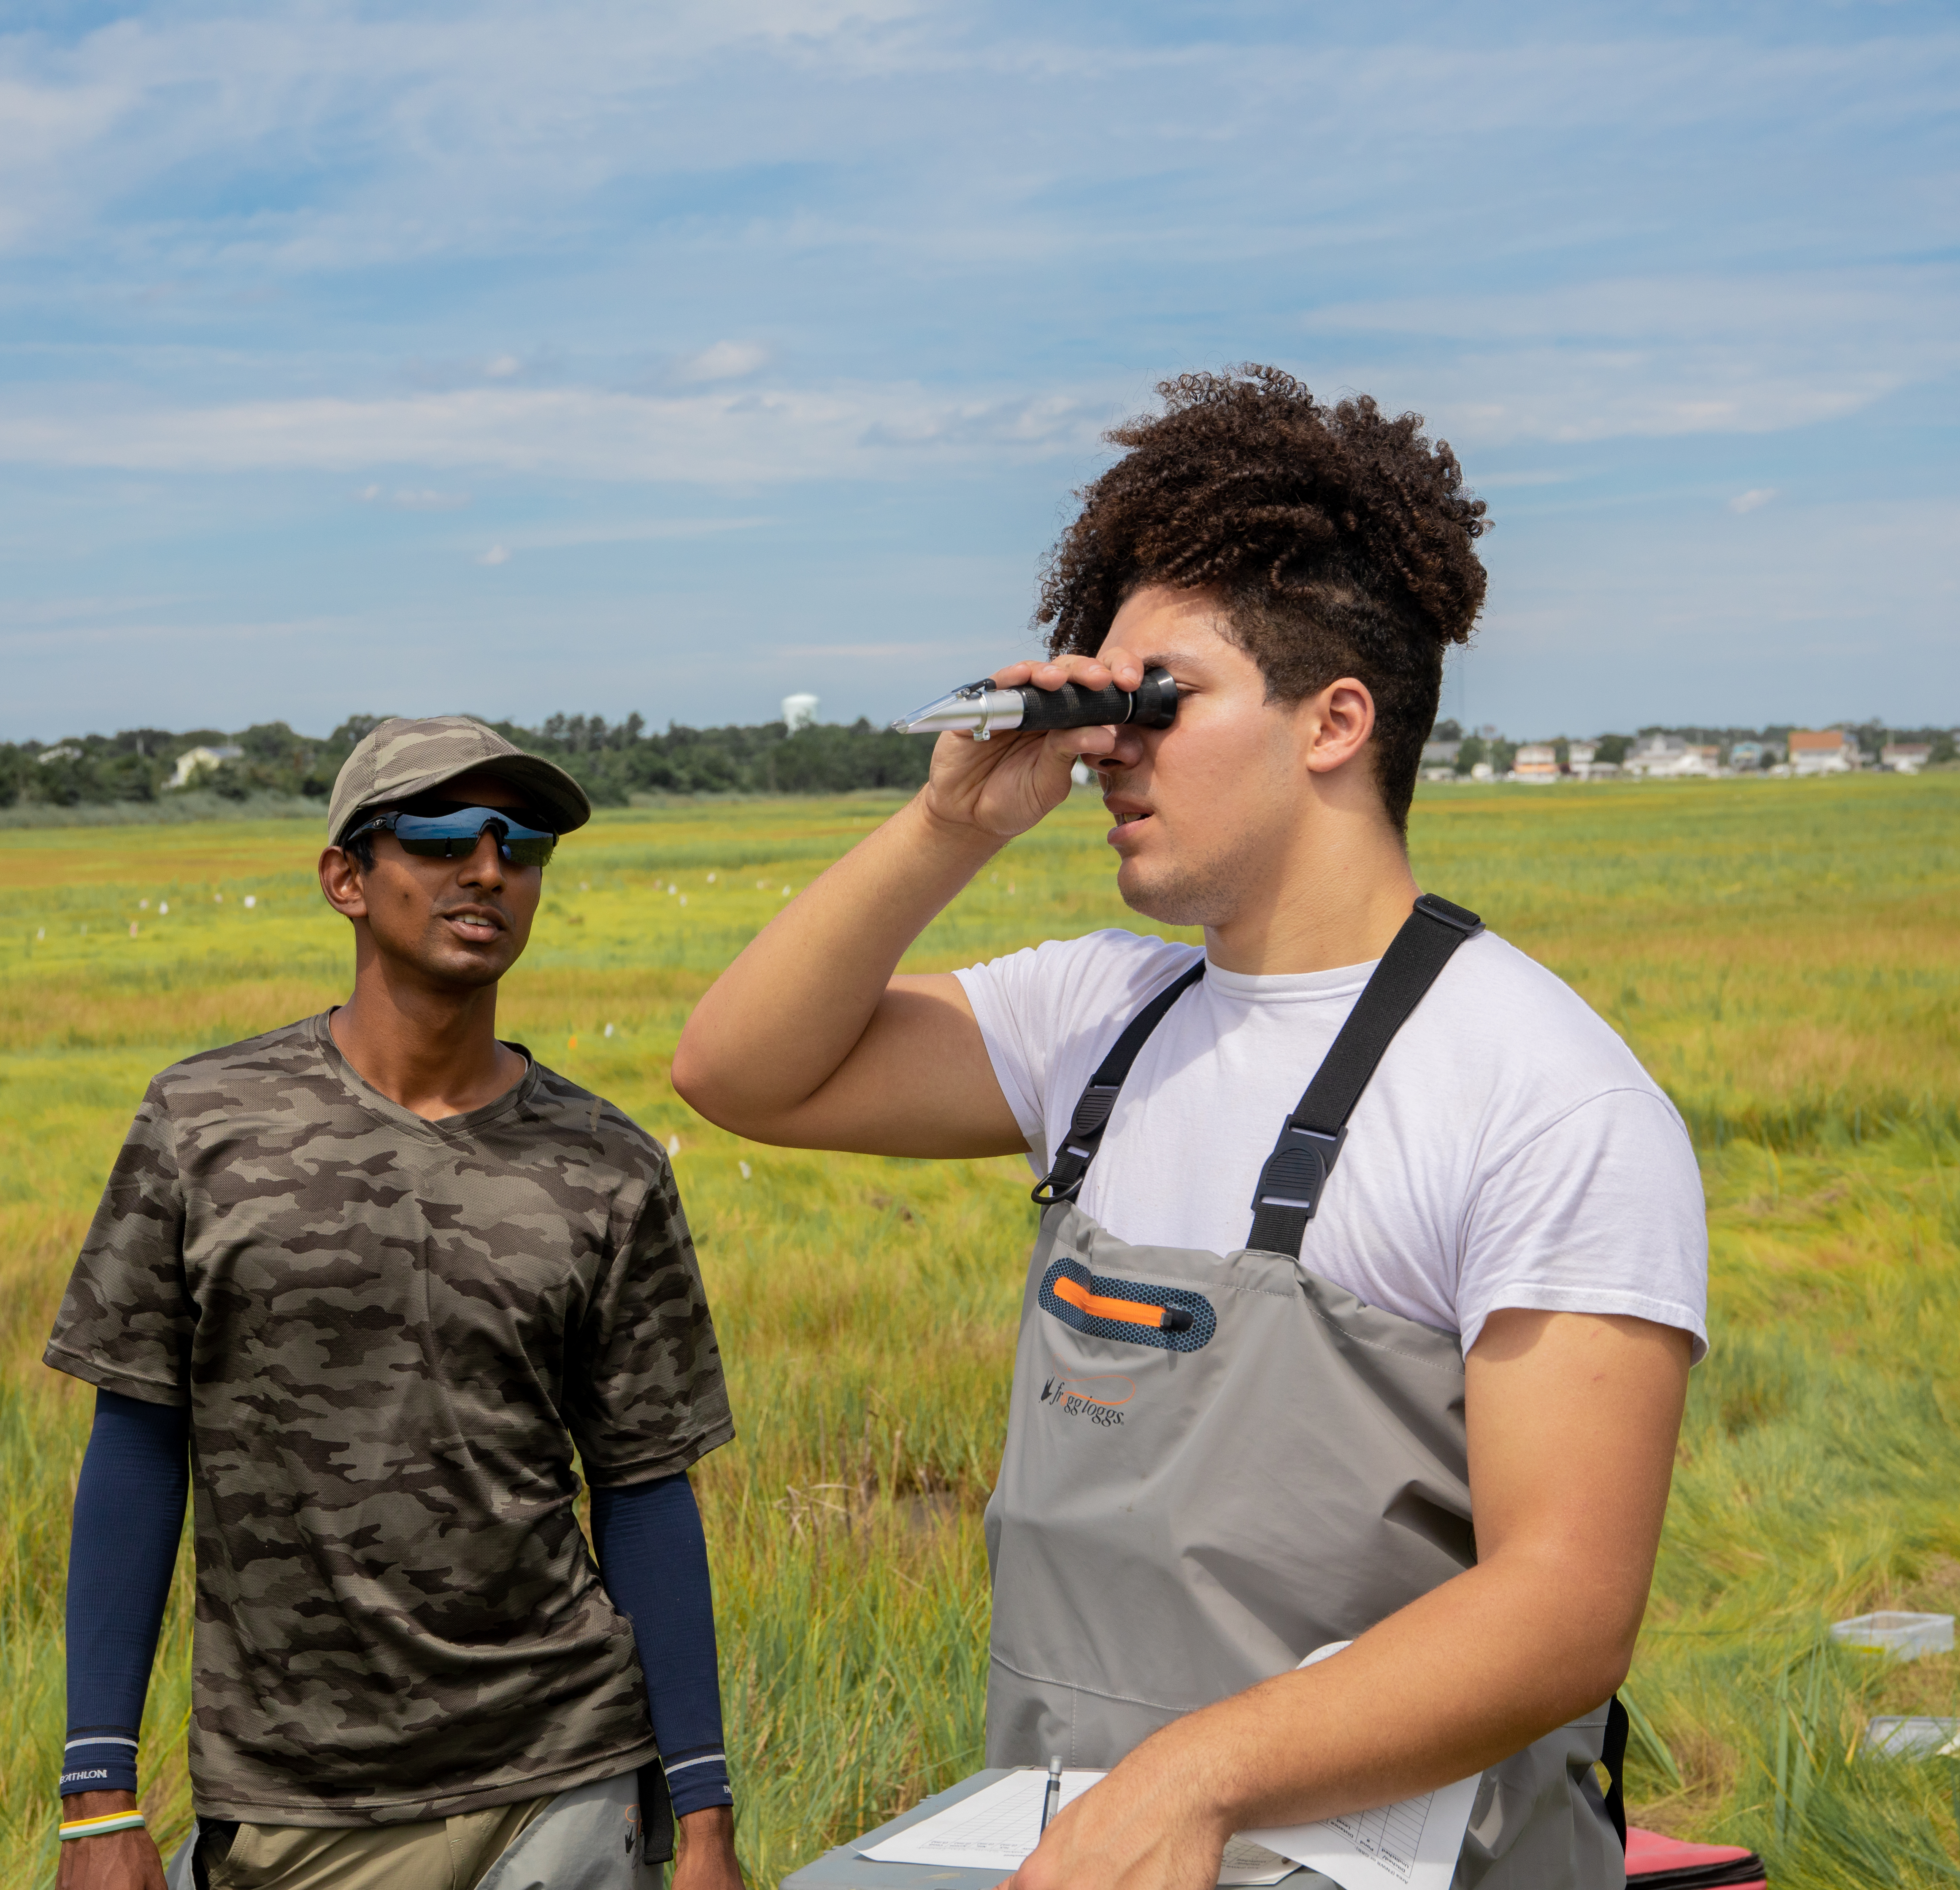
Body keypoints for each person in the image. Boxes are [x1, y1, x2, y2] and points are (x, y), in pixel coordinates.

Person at [673, 367, 1707, 1890]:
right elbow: (740, 1071)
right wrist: (951, 823)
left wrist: (1192, 1782)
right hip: (1081, 1847)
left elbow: (1565, 1603)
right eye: (1105, 704)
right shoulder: (1098, 1017)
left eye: (1161, 699)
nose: (1108, 748)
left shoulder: (1544, 1095)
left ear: (1334, 722)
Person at [46, 716, 746, 1890]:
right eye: (437, 836)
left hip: (564, 1774)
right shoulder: (202, 1127)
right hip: (290, 1801)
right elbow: (137, 1444)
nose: (488, 869)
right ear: (346, 879)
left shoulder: (606, 1165)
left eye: (521, 845)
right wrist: (95, 1800)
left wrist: (707, 1820)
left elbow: (644, 1492)